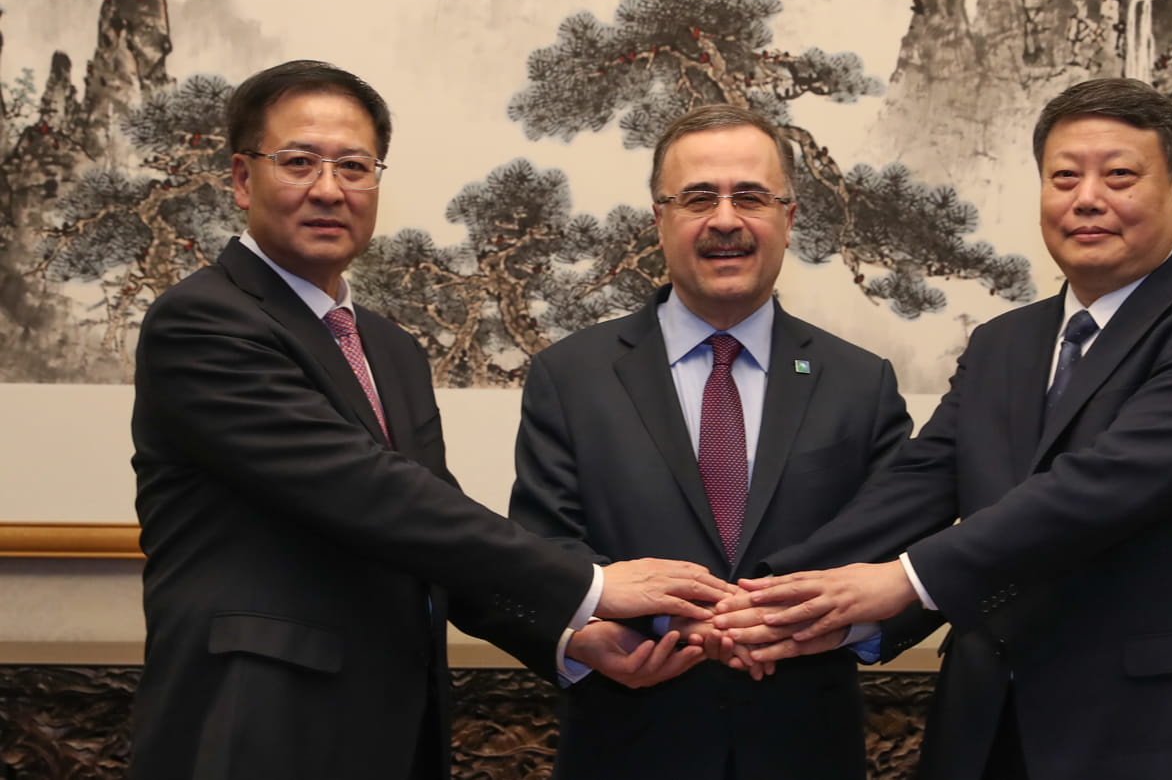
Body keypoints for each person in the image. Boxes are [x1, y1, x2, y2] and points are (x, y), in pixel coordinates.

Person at [127, 60, 729, 780]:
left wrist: (570, 637)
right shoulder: (202, 320)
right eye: (298, 162)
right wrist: (590, 583)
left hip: (393, 729)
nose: (328, 189)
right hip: (253, 727)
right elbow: (366, 491)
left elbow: (428, 530)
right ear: (239, 178)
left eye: (354, 166)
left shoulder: (389, 348)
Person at [714, 77, 1172, 780]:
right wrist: (759, 599)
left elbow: (1098, 490)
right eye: (1064, 177)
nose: (1087, 199)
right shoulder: (1004, 343)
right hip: (986, 731)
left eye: (1119, 176)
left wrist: (906, 579)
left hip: (1154, 737)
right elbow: (919, 482)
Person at [508, 104, 913, 780]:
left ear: (788, 219)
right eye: (698, 198)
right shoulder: (569, 376)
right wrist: (616, 632)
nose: (726, 219)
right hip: (628, 748)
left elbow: (899, 556)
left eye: (750, 197)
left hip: (806, 753)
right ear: (658, 221)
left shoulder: (860, 382)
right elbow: (544, 548)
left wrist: (839, 627)